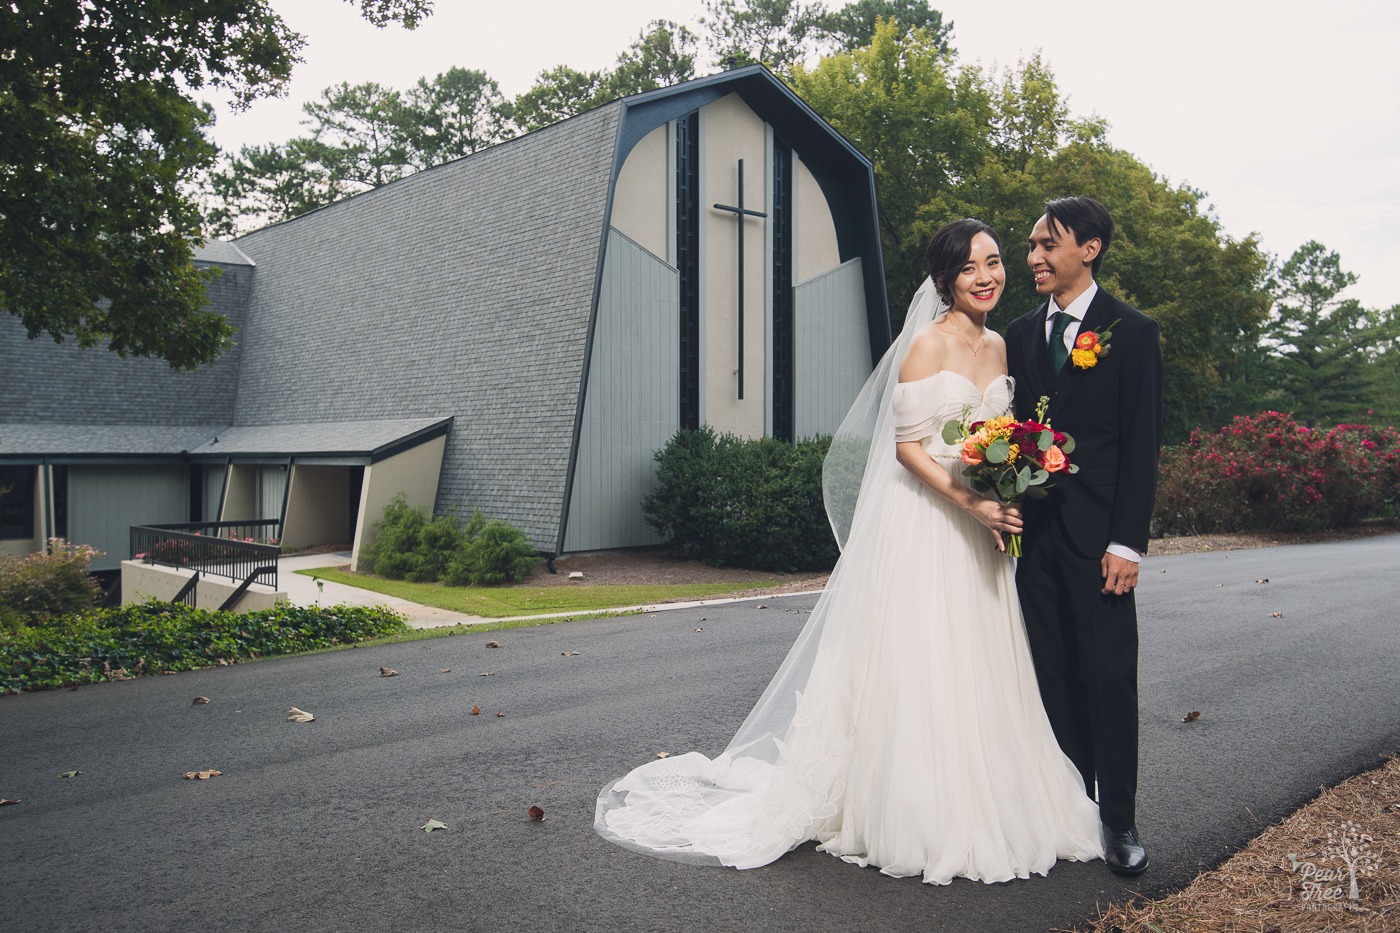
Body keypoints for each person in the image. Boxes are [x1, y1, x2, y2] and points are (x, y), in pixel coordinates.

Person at [594, 219, 1103, 884]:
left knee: (979, 659)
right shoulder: (927, 344)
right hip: (926, 519)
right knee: (923, 657)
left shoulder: (1002, 346)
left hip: (979, 533)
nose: (987, 276)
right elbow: (908, 448)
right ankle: (918, 806)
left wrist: (1001, 491)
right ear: (946, 277)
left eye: (995, 262)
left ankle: (995, 791)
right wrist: (973, 502)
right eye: (971, 266)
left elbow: (996, 436)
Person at [1005, 197, 1164, 877]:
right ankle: (1072, 810)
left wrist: (1128, 542)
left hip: (1100, 539)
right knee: (1051, 678)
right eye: (1033, 246)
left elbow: (1140, 444)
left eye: (1049, 244)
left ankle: (1119, 820)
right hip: (1033, 539)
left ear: (1090, 248)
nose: (1034, 257)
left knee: (1106, 676)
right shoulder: (1015, 334)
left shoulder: (1131, 332)